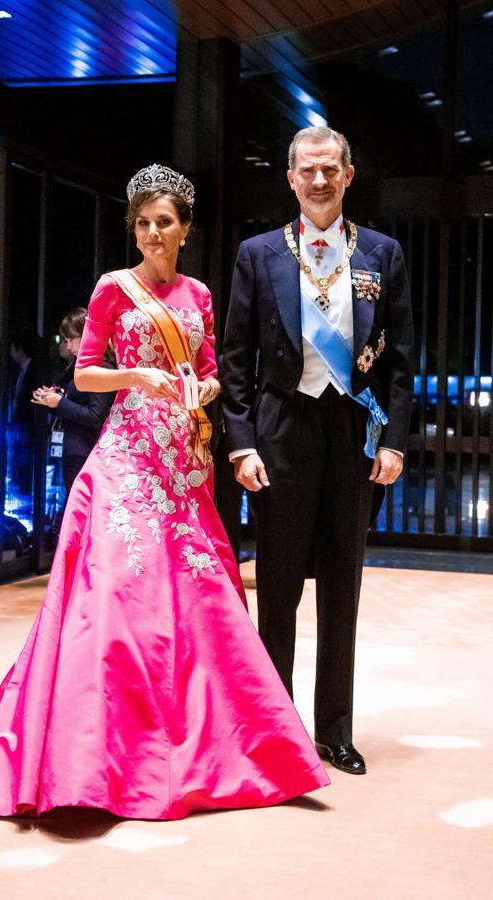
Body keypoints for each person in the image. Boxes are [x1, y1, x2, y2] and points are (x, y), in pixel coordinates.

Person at [0, 164, 328, 820]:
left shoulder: (201, 296)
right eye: (142, 223)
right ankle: (96, 754)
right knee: (116, 594)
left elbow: (208, 376)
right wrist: (138, 376)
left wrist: (199, 391)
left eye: (164, 223)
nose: (151, 234)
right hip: (125, 459)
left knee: (199, 600)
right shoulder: (112, 290)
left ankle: (207, 745)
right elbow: (85, 375)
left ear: (185, 229)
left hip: (184, 463)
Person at [220, 127, 414, 775]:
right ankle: (277, 732)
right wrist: (241, 444)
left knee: (342, 587)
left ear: (349, 176)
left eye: (331, 169)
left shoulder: (383, 255)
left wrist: (394, 441)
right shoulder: (258, 254)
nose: (321, 180)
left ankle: (335, 730)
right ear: (291, 178)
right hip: (280, 433)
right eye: (309, 170)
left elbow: (403, 365)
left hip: (354, 436)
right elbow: (236, 359)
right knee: (276, 592)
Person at [31, 308, 116, 494]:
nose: (68, 346)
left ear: (87, 336)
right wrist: (52, 400)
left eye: (71, 339)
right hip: (76, 449)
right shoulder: (80, 365)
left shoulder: (101, 366)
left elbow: (96, 416)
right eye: (66, 340)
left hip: (87, 452)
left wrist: (59, 403)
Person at [8, 329, 38, 496]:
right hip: (21, 420)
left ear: (20, 350)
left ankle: (25, 486)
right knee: (20, 451)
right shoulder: (21, 370)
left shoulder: (33, 369)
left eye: (12, 349)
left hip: (27, 421)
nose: (11, 354)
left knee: (24, 452)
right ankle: (22, 484)